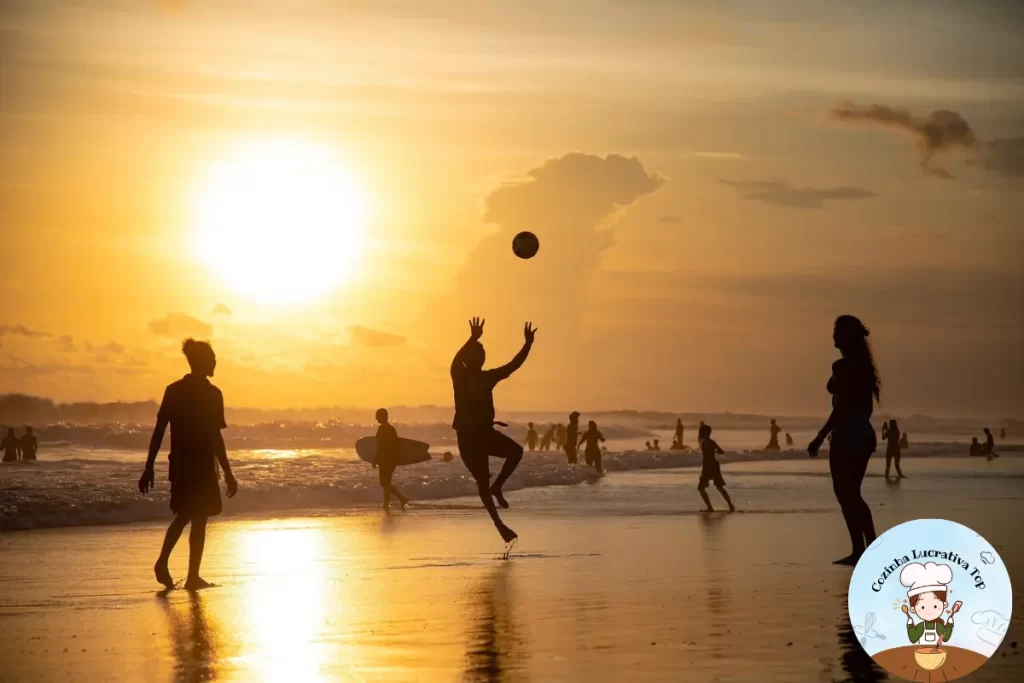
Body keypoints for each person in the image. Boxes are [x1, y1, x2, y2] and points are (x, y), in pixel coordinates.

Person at [139, 339, 238, 591]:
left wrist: (149, 466)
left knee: (194, 516)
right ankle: (167, 565)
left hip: (191, 464)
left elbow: (160, 431)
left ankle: (191, 575)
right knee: (189, 515)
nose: (215, 361)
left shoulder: (177, 390)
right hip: (196, 464)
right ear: (201, 361)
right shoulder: (208, 394)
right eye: (212, 358)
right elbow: (213, 437)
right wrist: (227, 472)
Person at [451, 317, 535, 544]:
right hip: (468, 438)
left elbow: (513, 365)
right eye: (476, 354)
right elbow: (455, 361)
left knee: (516, 452)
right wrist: (472, 338)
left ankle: (498, 486)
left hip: (485, 434)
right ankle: (499, 525)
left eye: (482, 354)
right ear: (469, 359)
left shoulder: (488, 377)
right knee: (481, 482)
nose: (481, 357)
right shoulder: (459, 377)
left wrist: (527, 344)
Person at [808, 315, 879, 566]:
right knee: (853, 494)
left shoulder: (844, 366)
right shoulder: (863, 365)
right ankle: (869, 547)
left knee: (845, 494)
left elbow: (841, 408)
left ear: (846, 336)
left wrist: (819, 435)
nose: (833, 335)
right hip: (862, 433)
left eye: (837, 330)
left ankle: (860, 549)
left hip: (847, 435)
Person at [373, 408, 408, 511]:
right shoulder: (391, 428)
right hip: (391, 459)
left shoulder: (384, 429)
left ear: (383, 416)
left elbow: (381, 446)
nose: (376, 418)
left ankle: (402, 498)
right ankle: (386, 503)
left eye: (377, 415)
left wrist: (376, 459)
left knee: (383, 482)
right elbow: (396, 445)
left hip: (385, 459)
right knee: (386, 482)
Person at [697, 423, 735, 512]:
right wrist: (717, 451)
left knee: (701, 488)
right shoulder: (712, 442)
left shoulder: (704, 442)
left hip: (707, 466)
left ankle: (710, 507)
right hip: (714, 465)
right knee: (719, 487)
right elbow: (721, 451)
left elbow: (700, 441)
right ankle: (731, 505)